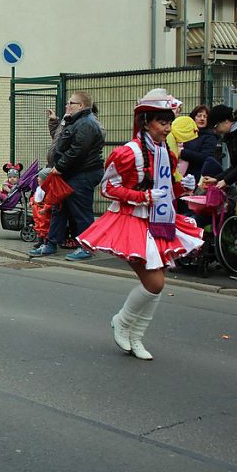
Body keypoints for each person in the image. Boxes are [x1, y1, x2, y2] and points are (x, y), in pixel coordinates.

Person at [78, 89, 201, 360]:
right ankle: (122, 322)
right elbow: (108, 188)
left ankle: (136, 335)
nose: (167, 129)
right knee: (154, 283)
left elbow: (168, 191)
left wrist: (185, 188)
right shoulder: (128, 153)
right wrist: (142, 196)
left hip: (159, 221)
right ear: (146, 122)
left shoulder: (165, 153)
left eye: (169, 123)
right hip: (130, 221)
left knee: (158, 283)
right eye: (162, 123)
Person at [29, 91, 104, 261]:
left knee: (80, 211)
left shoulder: (86, 124)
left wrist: (60, 167)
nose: (67, 105)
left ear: (81, 106)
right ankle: (51, 243)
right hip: (70, 173)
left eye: (71, 102)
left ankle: (85, 247)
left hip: (82, 173)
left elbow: (77, 150)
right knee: (59, 208)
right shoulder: (75, 121)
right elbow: (62, 142)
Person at [201, 106, 237, 282]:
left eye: (216, 126)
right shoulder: (233, 135)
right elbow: (235, 166)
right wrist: (217, 178)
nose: (216, 131)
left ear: (227, 122)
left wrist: (225, 181)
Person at [179, 105, 218, 184]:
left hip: (197, 177)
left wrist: (182, 153)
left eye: (205, 116)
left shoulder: (210, 137)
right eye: (199, 116)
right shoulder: (184, 133)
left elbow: (205, 157)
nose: (202, 119)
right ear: (193, 118)